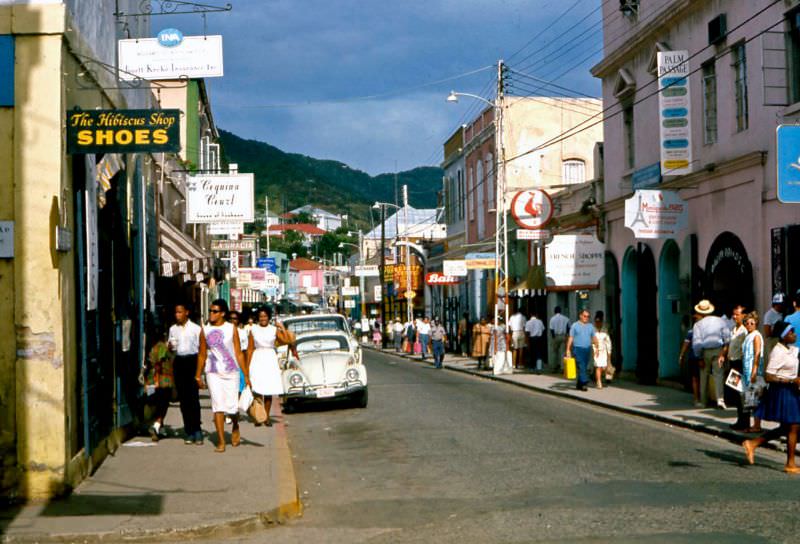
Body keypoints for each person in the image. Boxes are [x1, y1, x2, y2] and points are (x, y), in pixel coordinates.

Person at [742, 321, 800, 473]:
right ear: (783, 336)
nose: (794, 334)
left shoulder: (792, 350)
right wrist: (790, 380)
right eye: (791, 332)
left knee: (788, 427)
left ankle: (753, 443)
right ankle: (790, 464)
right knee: (793, 425)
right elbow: (769, 376)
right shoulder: (777, 352)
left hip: (792, 390)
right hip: (782, 391)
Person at [196, 299, 247, 453]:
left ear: (223, 313)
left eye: (215, 311)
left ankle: (235, 426)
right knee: (218, 405)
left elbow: (238, 352)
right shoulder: (205, 330)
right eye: (210, 311)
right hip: (213, 372)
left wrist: (247, 374)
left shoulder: (231, 329)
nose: (211, 314)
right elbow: (202, 354)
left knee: (232, 407)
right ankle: (221, 441)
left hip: (231, 371)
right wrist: (198, 375)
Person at [247, 307, 297, 427]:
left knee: (268, 390)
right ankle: (259, 415)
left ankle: (267, 417)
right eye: (260, 316)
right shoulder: (253, 329)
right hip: (257, 357)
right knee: (258, 389)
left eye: (265, 316)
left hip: (269, 358)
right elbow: (249, 349)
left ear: (268, 317)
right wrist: (247, 366)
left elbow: (287, 340)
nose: (263, 318)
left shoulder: (273, 330)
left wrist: (282, 328)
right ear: (258, 318)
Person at [168, 303, 203, 445]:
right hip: (179, 362)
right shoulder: (173, 329)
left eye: (180, 312)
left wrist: (200, 373)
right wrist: (170, 347)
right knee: (183, 399)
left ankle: (197, 429)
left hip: (192, 361)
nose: (177, 315)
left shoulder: (196, 329)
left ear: (186, 312)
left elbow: (202, 351)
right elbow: (171, 348)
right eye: (176, 312)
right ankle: (188, 430)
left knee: (193, 398)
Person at [691, 300, 731, 409]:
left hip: (705, 351)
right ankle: (720, 400)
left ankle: (703, 401)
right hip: (718, 350)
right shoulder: (721, 321)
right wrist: (724, 351)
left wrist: (699, 356)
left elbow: (697, 343)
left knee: (704, 375)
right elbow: (727, 337)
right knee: (719, 375)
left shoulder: (698, 325)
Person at [143, 326, 175, 442]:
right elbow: (159, 363)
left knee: (154, 402)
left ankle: (159, 427)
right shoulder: (161, 347)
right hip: (163, 381)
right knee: (163, 403)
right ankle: (157, 424)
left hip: (151, 380)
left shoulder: (148, 348)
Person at [740, 311, 764, 433]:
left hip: (753, 371)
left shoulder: (756, 336)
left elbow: (757, 354)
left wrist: (754, 371)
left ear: (756, 324)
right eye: (747, 323)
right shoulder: (748, 335)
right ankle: (754, 424)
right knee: (751, 399)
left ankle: (757, 425)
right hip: (747, 370)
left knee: (755, 398)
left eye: (752, 323)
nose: (749, 325)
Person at [726, 305, 747, 428]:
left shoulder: (744, 331)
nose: (734, 317)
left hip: (740, 363)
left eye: (737, 314)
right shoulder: (734, 329)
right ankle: (740, 419)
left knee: (741, 394)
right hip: (733, 363)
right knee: (736, 393)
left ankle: (744, 421)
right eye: (733, 314)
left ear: (743, 315)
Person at [565, 309, 598, 391]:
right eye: (584, 316)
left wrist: (597, 347)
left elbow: (594, 337)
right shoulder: (575, 325)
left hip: (587, 349)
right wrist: (568, 349)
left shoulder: (590, 326)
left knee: (583, 366)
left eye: (588, 316)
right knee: (581, 366)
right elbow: (571, 337)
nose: (586, 318)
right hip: (577, 349)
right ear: (580, 316)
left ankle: (579, 384)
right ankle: (584, 383)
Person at [679, 313, 703, 408]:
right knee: (697, 378)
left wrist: (681, 356)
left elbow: (686, 345)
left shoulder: (692, 331)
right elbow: (686, 344)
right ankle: (698, 398)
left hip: (695, 357)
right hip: (696, 358)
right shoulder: (692, 332)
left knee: (696, 379)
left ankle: (697, 398)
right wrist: (681, 355)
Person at [592, 311, 612, 389]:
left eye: (599, 321)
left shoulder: (605, 329)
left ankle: (598, 377)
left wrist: (609, 353)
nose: (598, 323)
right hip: (596, 350)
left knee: (603, 367)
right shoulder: (592, 330)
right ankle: (599, 382)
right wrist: (594, 350)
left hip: (604, 351)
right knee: (598, 366)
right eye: (596, 322)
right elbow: (592, 341)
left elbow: (608, 342)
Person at [763, 293, 785, 362]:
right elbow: (767, 333)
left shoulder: (783, 313)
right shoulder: (769, 315)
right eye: (782, 303)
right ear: (777, 304)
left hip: (781, 342)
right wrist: (777, 329)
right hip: (772, 342)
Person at [549, 306, 570, 373]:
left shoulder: (552, 319)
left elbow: (551, 329)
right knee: (563, 352)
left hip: (556, 336)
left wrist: (553, 337)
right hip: (563, 336)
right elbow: (568, 328)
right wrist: (567, 335)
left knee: (555, 352)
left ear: (554, 311)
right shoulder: (566, 318)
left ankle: (554, 367)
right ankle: (562, 368)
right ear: (560, 311)